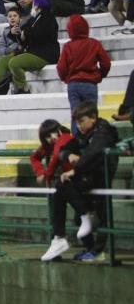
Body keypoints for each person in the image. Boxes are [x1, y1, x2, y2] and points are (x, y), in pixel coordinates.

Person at [42, 102, 118, 262]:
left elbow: (94, 153)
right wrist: (68, 155)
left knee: (103, 216)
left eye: (81, 121)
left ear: (93, 118)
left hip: (99, 178)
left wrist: (76, 170)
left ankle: (96, 250)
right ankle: (67, 237)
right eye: (77, 122)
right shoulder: (84, 132)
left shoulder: (103, 131)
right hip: (88, 177)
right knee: (63, 191)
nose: (79, 126)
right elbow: (65, 148)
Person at [0, 0, 59, 95]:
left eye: (33, 5)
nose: (32, 8)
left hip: (45, 55)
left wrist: (24, 34)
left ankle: (23, 88)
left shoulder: (48, 18)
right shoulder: (33, 19)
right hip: (32, 52)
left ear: (38, 6)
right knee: (3, 60)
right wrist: (17, 34)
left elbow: (40, 36)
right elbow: (25, 37)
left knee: (14, 63)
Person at [56, 14, 112, 132]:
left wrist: (66, 78)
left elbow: (61, 67)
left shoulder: (68, 46)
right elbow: (106, 63)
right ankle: (91, 141)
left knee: (76, 115)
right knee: (91, 115)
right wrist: (100, 75)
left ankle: (76, 143)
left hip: (73, 84)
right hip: (90, 84)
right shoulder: (94, 43)